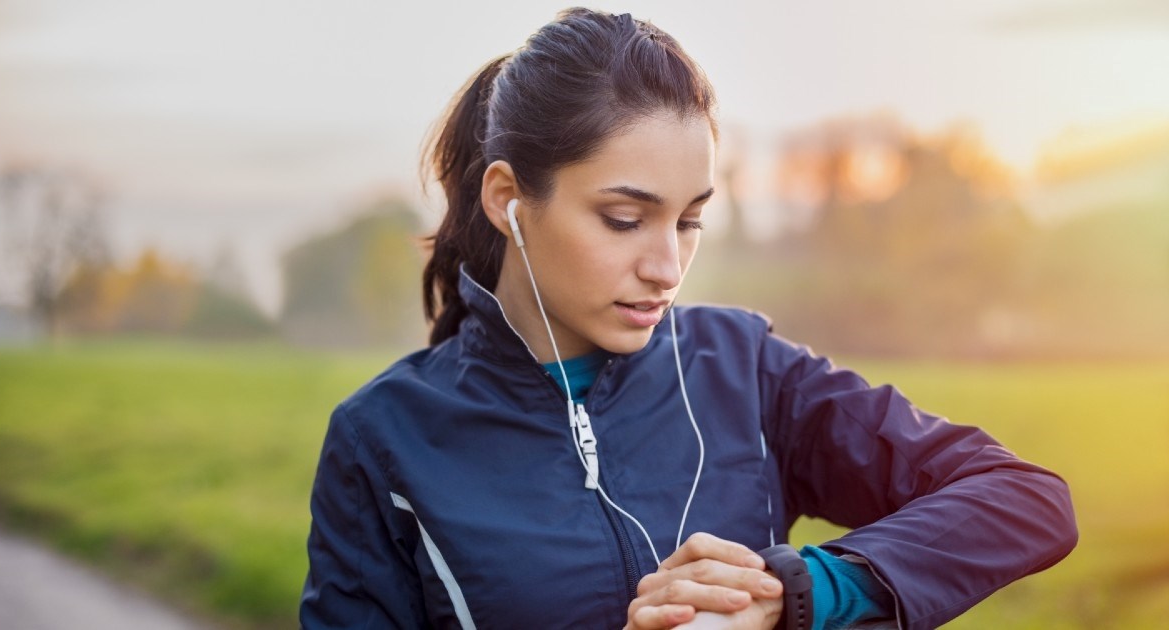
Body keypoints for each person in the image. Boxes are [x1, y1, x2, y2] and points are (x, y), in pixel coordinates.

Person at [299, 7, 1077, 629]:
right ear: (509, 200)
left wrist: (798, 592)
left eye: (690, 221)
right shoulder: (383, 441)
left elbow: (1024, 501)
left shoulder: (746, 369)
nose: (667, 268)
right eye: (624, 218)